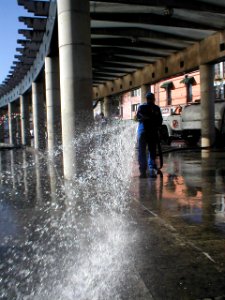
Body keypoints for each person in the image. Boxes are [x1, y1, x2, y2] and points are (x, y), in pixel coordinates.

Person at [136, 92, 163, 178]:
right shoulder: (155, 108)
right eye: (151, 99)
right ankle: (148, 168)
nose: (151, 100)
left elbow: (138, 117)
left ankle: (145, 169)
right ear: (152, 99)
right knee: (149, 151)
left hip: (146, 133)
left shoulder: (143, 107)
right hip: (148, 133)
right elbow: (159, 121)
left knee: (146, 151)